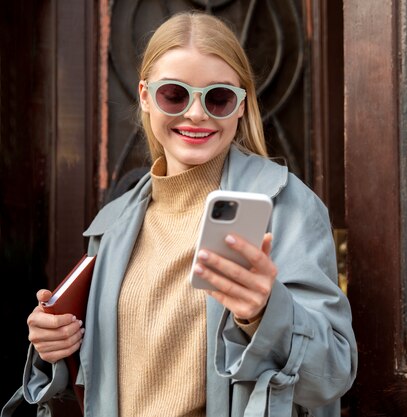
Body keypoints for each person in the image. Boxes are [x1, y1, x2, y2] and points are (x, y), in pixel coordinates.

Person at [2, 12, 357, 417]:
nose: (196, 114)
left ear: (241, 107)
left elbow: (333, 372)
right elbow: (112, 375)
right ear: (145, 96)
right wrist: (55, 345)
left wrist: (264, 313)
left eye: (218, 97)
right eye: (175, 94)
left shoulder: (288, 206)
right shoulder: (115, 223)